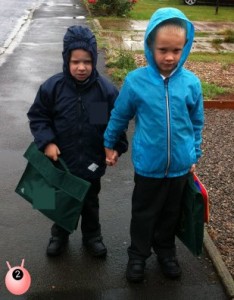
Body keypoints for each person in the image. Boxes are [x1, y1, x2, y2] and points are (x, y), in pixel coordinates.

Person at [104, 7, 204, 282]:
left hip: (180, 168)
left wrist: (194, 152)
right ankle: (138, 256)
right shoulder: (136, 82)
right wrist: (109, 143)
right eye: (163, 49)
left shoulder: (191, 83)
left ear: (185, 47)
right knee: (144, 215)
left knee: (171, 215)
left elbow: (196, 122)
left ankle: (166, 252)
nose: (170, 57)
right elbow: (119, 115)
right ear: (150, 45)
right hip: (149, 166)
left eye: (176, 49)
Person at [27, 25, 128, 257]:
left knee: (90, 202)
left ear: (94, 60)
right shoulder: (53, 88)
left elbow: (115, 123)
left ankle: (92, 236)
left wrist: (115, 148)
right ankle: (59, 235)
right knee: (61, 201)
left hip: (92, 161)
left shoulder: (105, 91)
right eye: (75, 62)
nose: (81, 67)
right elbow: (38, 117)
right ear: (66, 60)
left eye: (87, 61)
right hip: (62, 163)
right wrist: (47, 142)